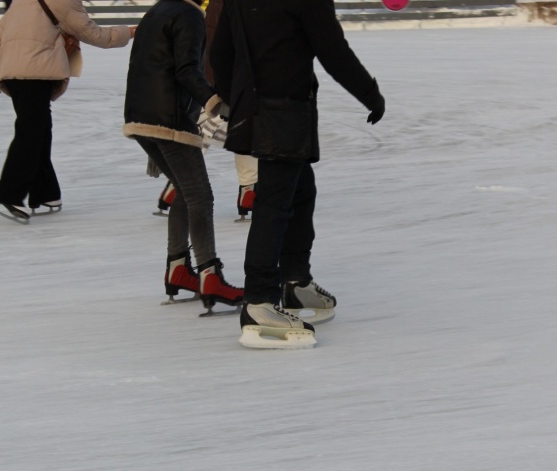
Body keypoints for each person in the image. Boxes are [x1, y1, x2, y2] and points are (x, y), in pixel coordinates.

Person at [211, 0, 385, 349]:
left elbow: (219, 53)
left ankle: (294, 282)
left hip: (257, 108)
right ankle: (260, 300)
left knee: (301, 191)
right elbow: (332, 50)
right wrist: (369, 94)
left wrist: (240, 99)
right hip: (286, 111)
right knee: (273, 206)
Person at [123, 0, 243, 314]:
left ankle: (178, 268)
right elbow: (187, 70)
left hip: (140, 114)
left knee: (183, 190)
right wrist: (217, 102)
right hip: (169, 119)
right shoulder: (189, 15)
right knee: (200, 196)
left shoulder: (157, 10)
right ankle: (209, 275)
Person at [0, 0, 134, 221]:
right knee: (31, 134)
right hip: (36, 73)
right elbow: (94, 34)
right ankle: (9, 194)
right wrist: (132, 32)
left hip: (14, 74)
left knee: (38, 130)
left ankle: (46, 193)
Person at [151, 0, 259, 222]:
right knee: (245, 135)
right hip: (236, 78)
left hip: (203, 77)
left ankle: (176, 186)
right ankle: (248, 192)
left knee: (201, 132)